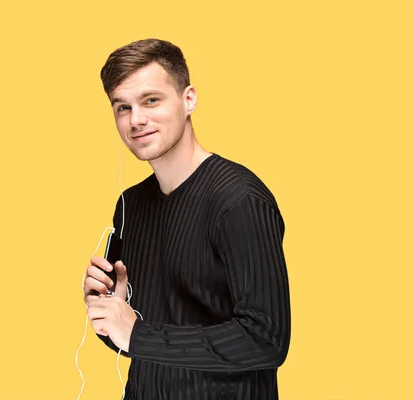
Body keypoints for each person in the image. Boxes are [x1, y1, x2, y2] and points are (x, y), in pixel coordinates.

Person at [83, 38, 291, 400]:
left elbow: (266, 339)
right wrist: (108, 314)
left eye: (151, 100)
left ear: (188, 99)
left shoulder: (238, 200)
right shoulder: (130, 204)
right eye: (122, 107)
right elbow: (134, 343)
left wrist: (138, 333)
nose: (136, 120)